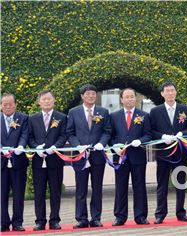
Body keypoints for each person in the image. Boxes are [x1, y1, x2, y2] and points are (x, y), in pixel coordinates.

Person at [66, 84, 112, 228]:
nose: (91, 96)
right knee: (81, 188)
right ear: (82, 96)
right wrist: (77, 145)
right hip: (80, 155)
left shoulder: (103, 111)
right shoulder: (74, 112)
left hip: (97, 155)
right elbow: (70, 132)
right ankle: (81, 218)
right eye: (88, 94)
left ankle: (96, 218)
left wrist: (102, 143)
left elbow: (107, 131)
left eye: (93, 93)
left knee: (97, 187)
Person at [149, 82, 187, 224]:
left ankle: (181, 212)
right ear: (162, 93)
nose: (170, 93)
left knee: (180, 183)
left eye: (172, 90)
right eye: (167, 91)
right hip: (163, 152)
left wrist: (182, 133)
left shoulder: (184, 109)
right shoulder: (155, 111)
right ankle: (160, 213)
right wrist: (162, 137)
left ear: (176, 92)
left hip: (180, 152)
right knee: (162, 183)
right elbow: (151, 131)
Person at [110, 88, 152, 226]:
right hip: (121, 157)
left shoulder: (144, 115)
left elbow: (148, 134)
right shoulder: (114, 116)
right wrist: (114, 146)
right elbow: (110, 136)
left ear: (136, 98)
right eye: (127, 97)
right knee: (120, 186)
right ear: (121, 99)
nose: (130, 99)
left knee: (139, 186)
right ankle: (120, 216)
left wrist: (141, 140)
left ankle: (140, 216)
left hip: (138, 156)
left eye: (132, 96)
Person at [27, 90, 67, 230]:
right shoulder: (32, 119)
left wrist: (55, 147)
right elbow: (29, 137)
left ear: (54, 100)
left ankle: (54, 220)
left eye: (49, 99)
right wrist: (36, 147)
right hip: (39, 161)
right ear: (39, 102)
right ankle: (40, 221)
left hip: (55, 159)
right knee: (39, 191)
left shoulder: (61, 117)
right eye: (44, 99)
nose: (47, 101)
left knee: (55, 191)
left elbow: (63, 136)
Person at [0, 93, 29, 232]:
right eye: (5, 104)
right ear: (0, 106)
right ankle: (3, 222)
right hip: (1, 162)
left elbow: (25, 134)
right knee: (1, 194)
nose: (8, 107)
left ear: (15, 104)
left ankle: (18, 222)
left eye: (10, 104)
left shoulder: (23, 118)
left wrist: (21, 147)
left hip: (18, 161)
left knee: (18, 194)